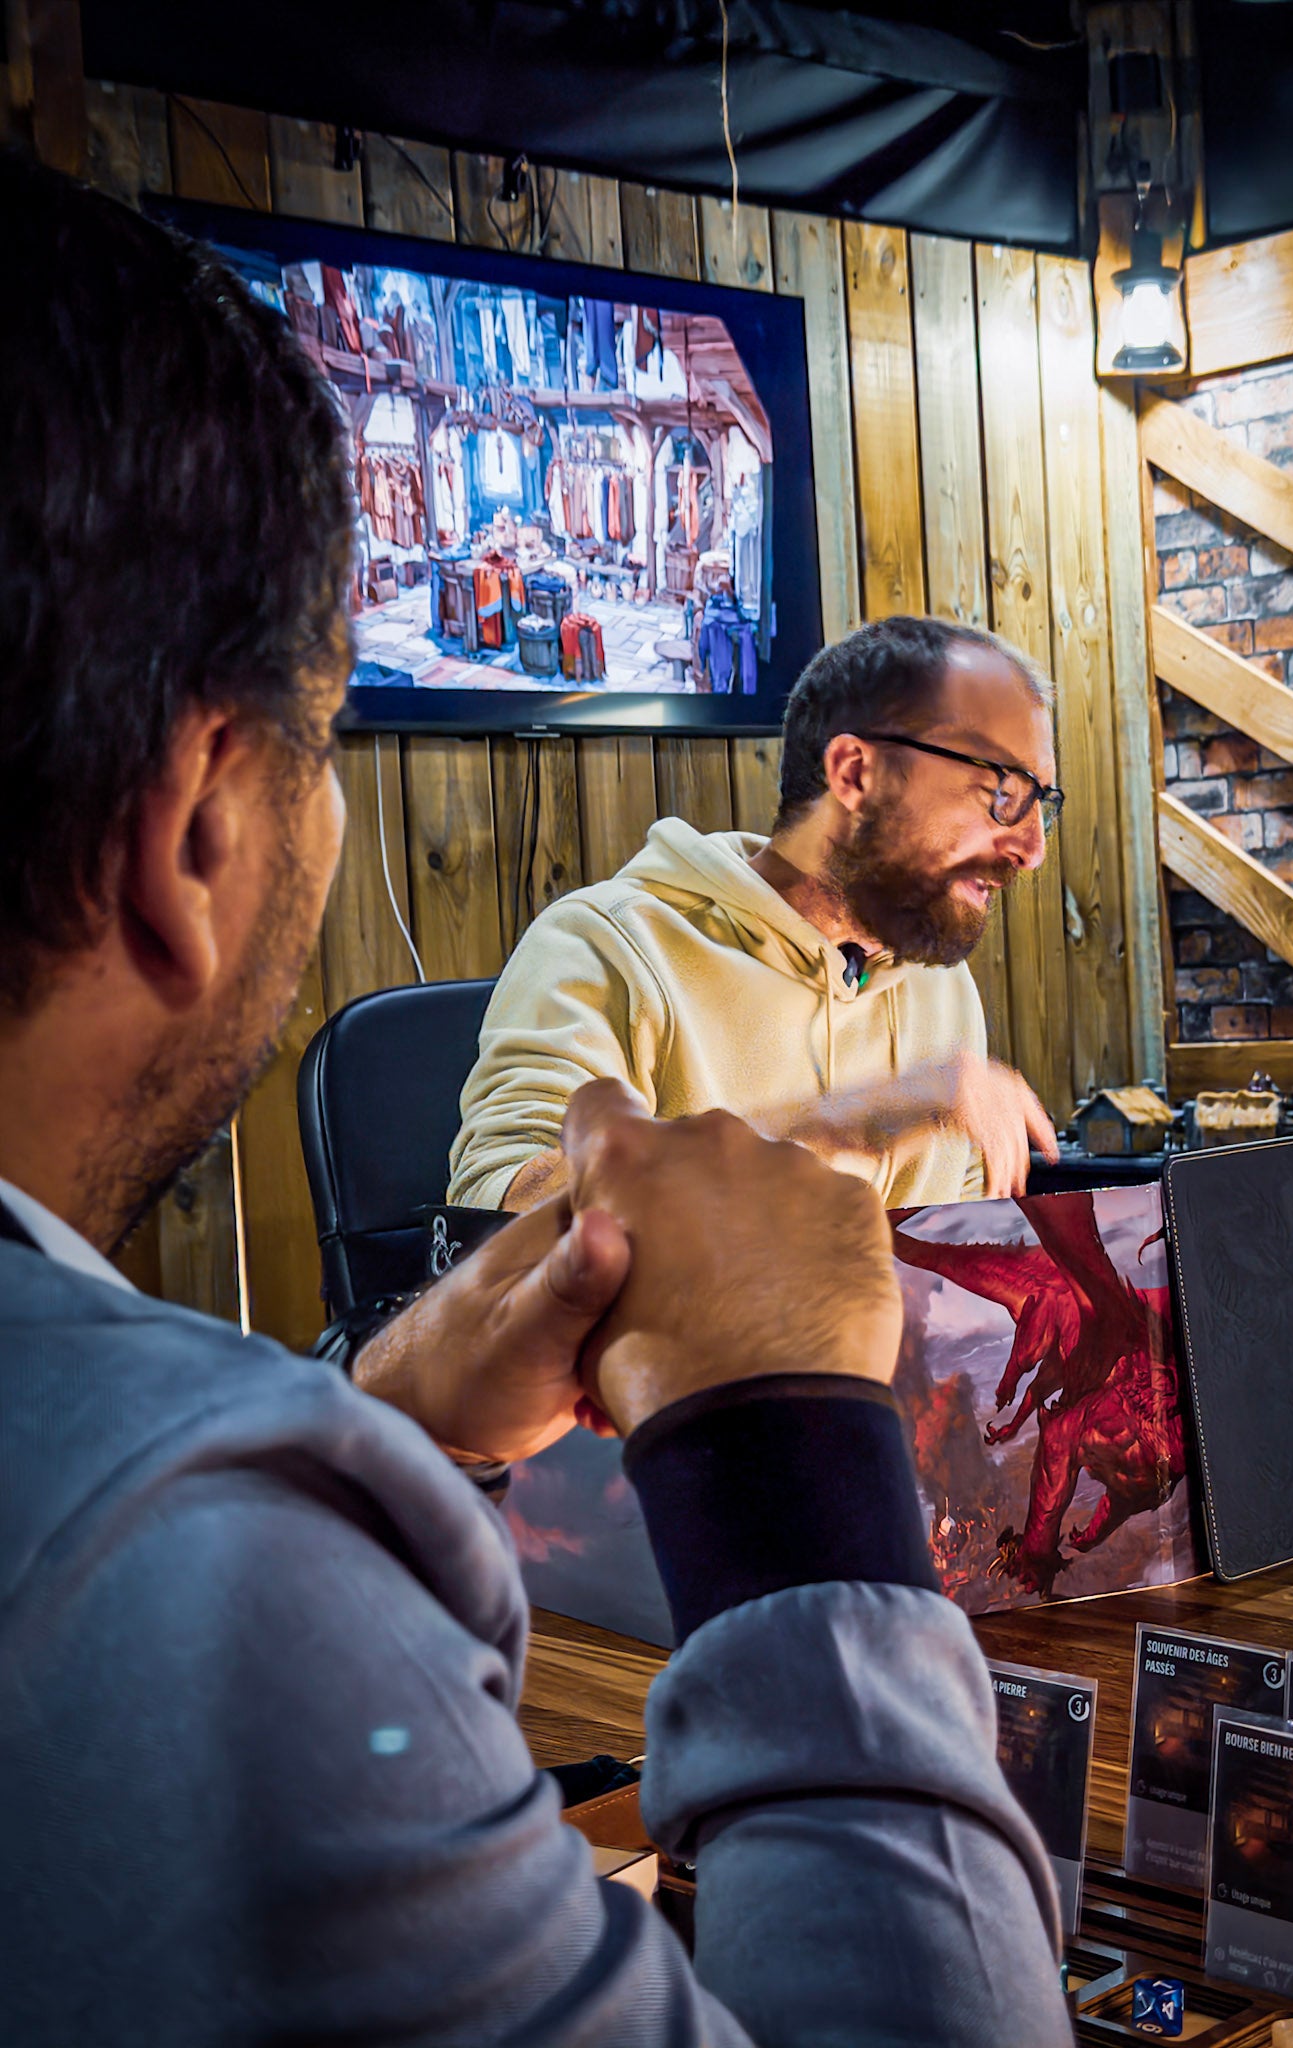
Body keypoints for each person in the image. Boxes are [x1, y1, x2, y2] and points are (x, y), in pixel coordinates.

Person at [0, 155, 1073, 2045]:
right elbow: (519, 1209)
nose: (1023, 838)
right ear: (198, 825)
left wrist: (389, 1424)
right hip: (686, 1570)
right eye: (331, 737)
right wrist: (801, 1492)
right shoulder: (184, 1578)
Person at [449, 614, 1065, 1216]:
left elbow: (955, 1255)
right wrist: (847, 1121)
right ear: (856, 774)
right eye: (1004, 795)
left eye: (1044, 804)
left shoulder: (941, 988)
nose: (1033, 849)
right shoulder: (606, 946)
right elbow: (500, 1215)